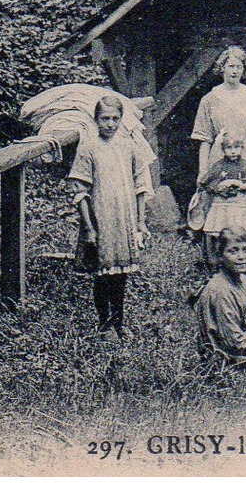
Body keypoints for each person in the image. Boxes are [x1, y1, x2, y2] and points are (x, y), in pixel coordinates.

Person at [68, 94, 152, 338]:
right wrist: (89, 228)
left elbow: (140, 186)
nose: (110, 124)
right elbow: (81, 192)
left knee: (121, 275)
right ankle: (104, 324)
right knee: (103, 275)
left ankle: (119, 323)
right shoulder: (89, 148)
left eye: (115, 119)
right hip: (101, 220)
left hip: (123, 220)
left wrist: (140, 221)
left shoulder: (128, 146)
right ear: (96, 120)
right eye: (105, 119)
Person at [192, 46, 246, 178]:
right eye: (230, 66)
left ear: (244, 70)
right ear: (222, 67)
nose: (234, 71)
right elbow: (204, 139)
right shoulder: (209, 99)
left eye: (239, 67)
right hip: (219, 157)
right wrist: (203, 169)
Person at [189, 132, 246, 268]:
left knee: (242, 232)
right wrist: (219, 187)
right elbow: (208, 183)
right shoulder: (218, 167)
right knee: (218, 233)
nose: (233, 151)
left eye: (237, 147)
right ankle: (217, 262)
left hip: (239, 205)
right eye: (229, 148)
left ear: (242, 148)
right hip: (222, 205)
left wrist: (238, 183)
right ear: (223, 149)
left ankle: (244, 263)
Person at [195, 227, 246, 365]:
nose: (241, 257)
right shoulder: (221, 291)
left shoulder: (242, 279)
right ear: (220, 255)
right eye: (233, 251)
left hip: (244, 340)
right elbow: (235, 343)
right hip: (227, 356)